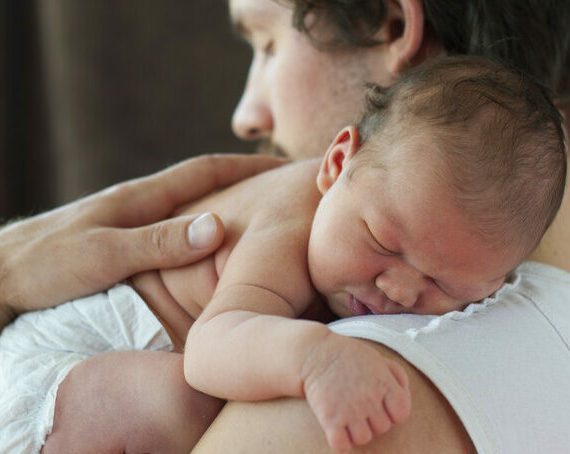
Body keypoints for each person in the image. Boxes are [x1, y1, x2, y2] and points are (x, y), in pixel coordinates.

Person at [0, 0, 568, 452]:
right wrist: (314, 358)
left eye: (446, 286)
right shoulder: (293, 215)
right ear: (337, 163)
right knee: (175, 401)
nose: (399, 290)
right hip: (55, 362)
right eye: (382, 242)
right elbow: (212, 348)